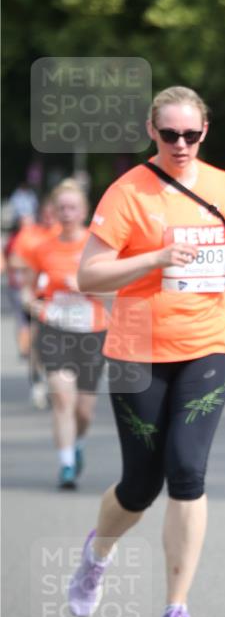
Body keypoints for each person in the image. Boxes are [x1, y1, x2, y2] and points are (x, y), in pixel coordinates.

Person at [67, 85, 225, 617]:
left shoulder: (222, 186)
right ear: (151, 132)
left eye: (192, 134)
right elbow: (89, 277)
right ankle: (98, 553)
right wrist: (157, 257)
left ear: (205, 132)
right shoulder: (127, 193)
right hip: (138, 350)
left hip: (208, 343)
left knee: (187, 471)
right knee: (141, 484)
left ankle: (176, 609)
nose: (181, 144)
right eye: (170, 134)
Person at [23, 180, 108, 486]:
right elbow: (30, 290)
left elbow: (118, 287)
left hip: (91, 330)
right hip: (54, 327)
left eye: (73, 207)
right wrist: (32, 304)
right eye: (62, 208)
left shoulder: (97, 245)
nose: (67, 213)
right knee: (61, 397)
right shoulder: (42, 247)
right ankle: (67, 465)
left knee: (84, 410)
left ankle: (78, 443)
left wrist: (86, 285)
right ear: (54, 211)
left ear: (84, 211)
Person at [8, 196, 60, 405]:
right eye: (45, 213)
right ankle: (38, 382)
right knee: (37, 342)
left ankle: (55, 382)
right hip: (38, 295)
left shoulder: (63, 235)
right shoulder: (29, 235)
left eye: (52, 213)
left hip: (61, 298)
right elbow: (13, 259)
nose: (48, 217)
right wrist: (33, 262)